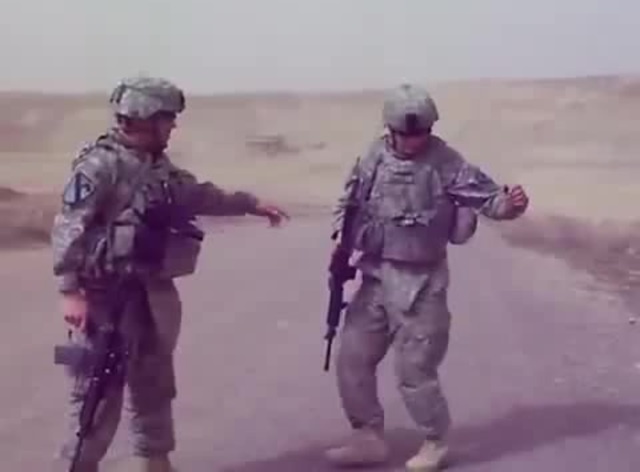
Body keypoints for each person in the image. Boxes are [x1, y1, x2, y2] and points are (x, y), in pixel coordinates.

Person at [50, 75, 289, 472]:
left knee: (154, 382)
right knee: (96, 392)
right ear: (144, 117)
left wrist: (250, 203)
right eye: (167, 118)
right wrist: (70, 290)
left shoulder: (157, 166)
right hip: (105, 296)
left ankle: (154, 460)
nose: (173, 126)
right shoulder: (99, 166)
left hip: (148, 293)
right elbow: (69, 227)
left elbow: (198, 195)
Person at [325, 83, 529, 471]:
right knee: (352, 358)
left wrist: (511, 205)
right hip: (375, 276)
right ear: (391, 131)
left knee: (415, 370)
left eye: (422, 133)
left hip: (421, 285)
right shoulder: (373, 156)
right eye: (407, 134)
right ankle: (367, 436)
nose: (415, 140)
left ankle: (435, 440)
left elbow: (490, 200)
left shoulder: (446, 162)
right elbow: (349, 202)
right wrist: (341, 241)